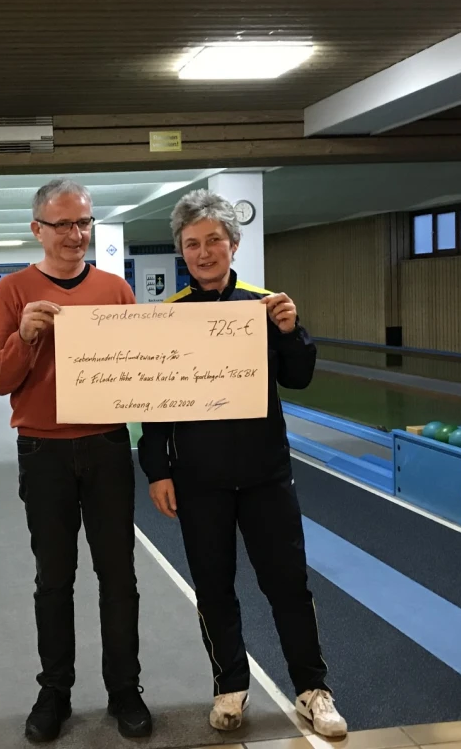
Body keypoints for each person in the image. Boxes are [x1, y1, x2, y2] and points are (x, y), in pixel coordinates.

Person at [137, 189, 347, 739]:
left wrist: (292, 331)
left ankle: (312, 690)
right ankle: (230, 685)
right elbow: (156, 406)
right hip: (198, 480)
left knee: (288, 585)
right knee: (213, 586)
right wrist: (157, 468)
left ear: (233, 243)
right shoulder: (170, 316)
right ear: (181, 252)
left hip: (265, 476)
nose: (203, 252)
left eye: (213, 240)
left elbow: (298, 376)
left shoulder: (265, 305)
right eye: (192, 244)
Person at [0, 178, 153, 743]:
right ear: (38, 229)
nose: (75, 234)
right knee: (54, 579)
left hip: (106, 446)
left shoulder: (115, 290)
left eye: (83, 223)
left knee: (118, 578)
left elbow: (136, 373)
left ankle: (124, 690)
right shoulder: (13, 291)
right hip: (43, 450)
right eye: (63, 224)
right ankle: (54, 691)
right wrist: (26, 336)